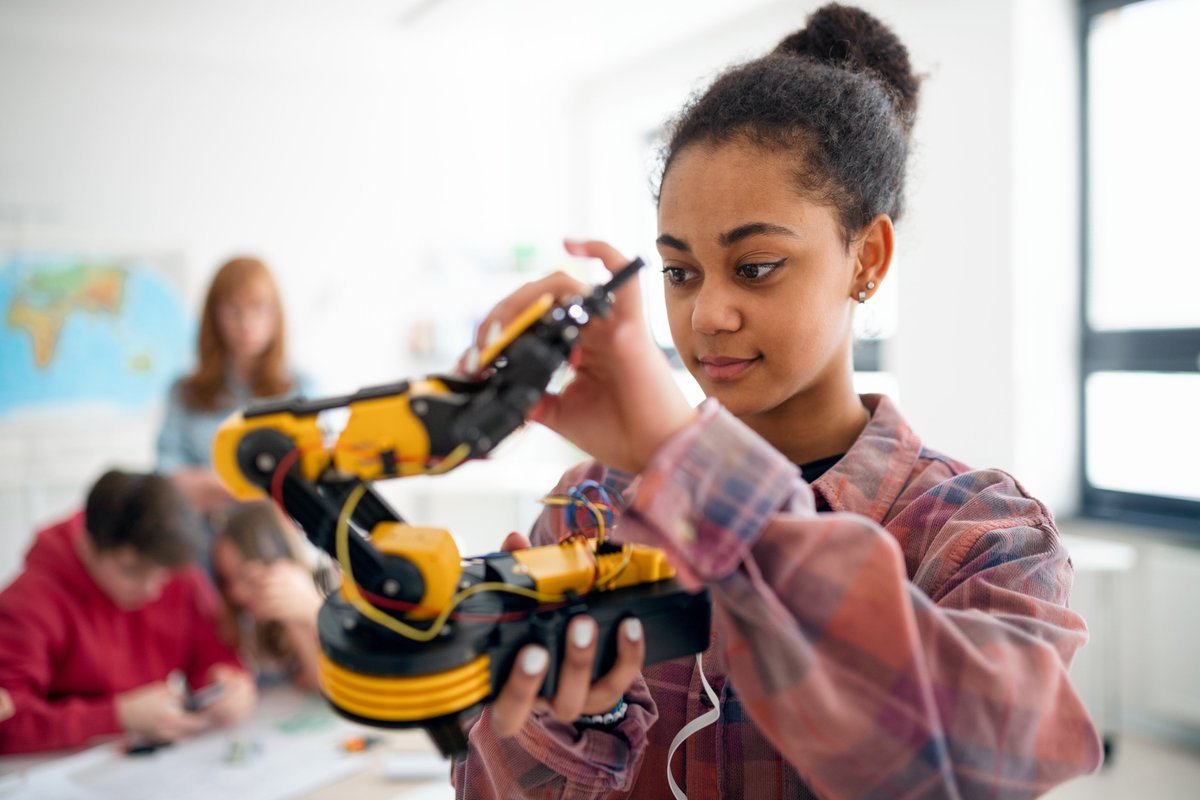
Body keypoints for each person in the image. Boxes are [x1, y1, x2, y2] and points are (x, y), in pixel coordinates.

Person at [451, 4, 1102, 798]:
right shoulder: (589, 511)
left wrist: (684, 467)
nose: (706, 315)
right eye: (680, 272)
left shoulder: (978, 537)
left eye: (755, 266)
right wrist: (563, 726)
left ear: (867, 257)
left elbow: (972, 770)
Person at [0, 470, 257, 755]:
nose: (153, 590)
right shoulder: (29, 600)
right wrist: (117, 716)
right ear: (86, 545)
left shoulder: (174, 567)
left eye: (163, 574)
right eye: (132, 571)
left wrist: (230, 683)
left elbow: (215, 654)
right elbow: (8, 722)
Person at [157, 256, 310, 515]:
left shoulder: (301, 390)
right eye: (233, 310)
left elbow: (309, 477)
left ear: (276, 314)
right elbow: (167, 474)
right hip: (201, 537)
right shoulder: (185, 392)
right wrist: (246, 488)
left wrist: (211, 484)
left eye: (258, 308)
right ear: (214, 316)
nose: (246, 323)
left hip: (276, 539)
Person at [212, 500, 339, 692]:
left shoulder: (335, 588)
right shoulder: (249, 630)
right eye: (227, 581)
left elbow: (327, 685)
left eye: (244, 576)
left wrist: (312, 614)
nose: (236, 593)